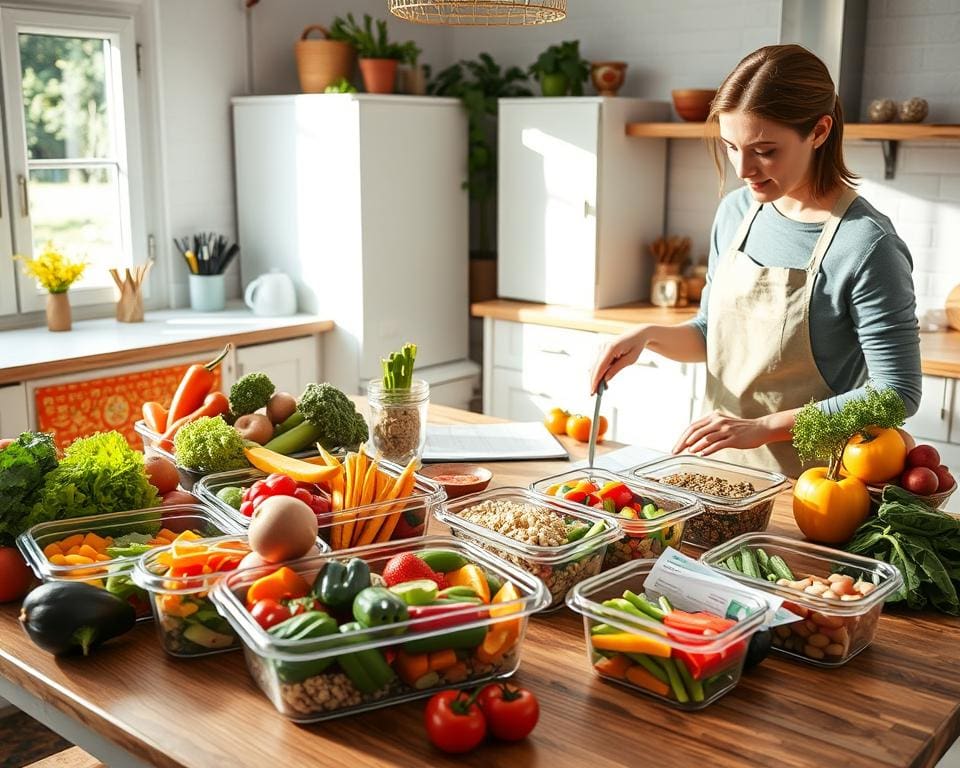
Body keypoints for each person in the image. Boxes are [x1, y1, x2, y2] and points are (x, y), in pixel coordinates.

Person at [590, 44, 922, 478]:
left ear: (819, 132)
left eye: (765, 150)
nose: (743, 169)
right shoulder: (735, 213)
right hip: (716, 475)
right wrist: (648, 335)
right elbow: (713, 336)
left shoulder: (866, 244)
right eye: (731, 146)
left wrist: (764, 427)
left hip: (815, 489)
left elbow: (897, 393)